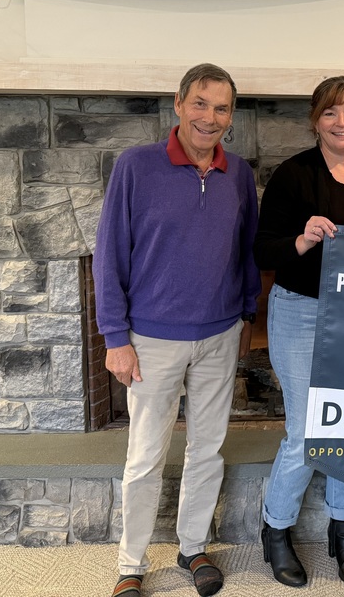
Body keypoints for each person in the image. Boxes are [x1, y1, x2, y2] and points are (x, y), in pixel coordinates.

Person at [94, 64, 260, 597]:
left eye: (221, 108)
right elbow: (109, 254)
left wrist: (247, 316)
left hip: (219, 334)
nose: (209, 118)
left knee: (207, 449)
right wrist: (114, 337)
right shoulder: (136, 167)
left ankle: (193, 548)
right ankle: (131, 564)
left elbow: (247, 253)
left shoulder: (239, 174)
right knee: (145, 455)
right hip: (151, 340)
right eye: (200, 104)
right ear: (178, 104)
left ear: (230, 116)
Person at [253, 76, 344, 588]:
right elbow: (262, 251)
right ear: (316, 120)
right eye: (332, 113)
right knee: (306, 432)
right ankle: (275, 529)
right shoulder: (294, 176)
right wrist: (302, 239)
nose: (343, 123)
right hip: (301, 312)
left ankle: (343, 530)